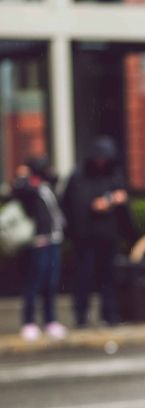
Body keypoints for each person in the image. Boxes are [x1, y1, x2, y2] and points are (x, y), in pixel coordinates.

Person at [62, 136, 129, 327]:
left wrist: (119, 200)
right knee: (84, 276)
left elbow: (123, 203)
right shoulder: (79, 176)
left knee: (109, 276)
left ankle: (110, 313)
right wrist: (102, 203)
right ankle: (81, 315)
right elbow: (75, 205)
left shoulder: (113, 174)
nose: (102, 162)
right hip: (85, 237)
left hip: (108, 236)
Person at [12, 157, 67, 341]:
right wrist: (23, 176)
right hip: (38, 242)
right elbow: (17, 190)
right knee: (34, 283)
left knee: (51, 283)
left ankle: (50, 321)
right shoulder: (30, 188)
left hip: (53, 240)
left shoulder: (45, 187)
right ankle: (29, 322)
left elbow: (56, 178)